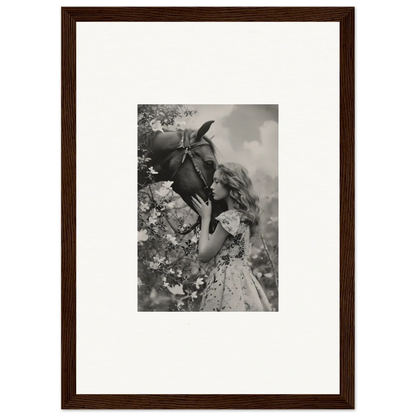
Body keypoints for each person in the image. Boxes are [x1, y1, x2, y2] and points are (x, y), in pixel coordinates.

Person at [191, 162, 273, 311]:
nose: (211, 186)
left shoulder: (228, 219)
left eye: (217, 182)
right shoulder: (245, 217)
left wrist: (205, 218)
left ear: (231, 185)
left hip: (225, 282)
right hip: (243, 281)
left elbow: (203, 256)